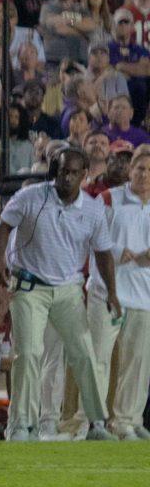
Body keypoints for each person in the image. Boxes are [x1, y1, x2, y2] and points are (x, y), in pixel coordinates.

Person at [0, 146, 120, 441]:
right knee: (29, 354)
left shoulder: (93, 208)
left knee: (84, 354)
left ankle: (96, 425)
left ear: (85, 174)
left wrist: (112, 292)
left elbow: (103, 253)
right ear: (54, 171)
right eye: (63, 171)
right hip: (29, 287)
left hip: (68, 290)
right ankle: (21, 425)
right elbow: (2, 228)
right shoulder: (30, 197)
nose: (68, 177)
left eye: (75, 172)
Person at [102, 151, 150, 440]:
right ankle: (93, 421)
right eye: (140, 168)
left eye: (149, 170)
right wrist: (119, 253)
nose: (144, 175)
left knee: (138, 361)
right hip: (109, 292)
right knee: (98, 360)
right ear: (130, 169)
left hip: (144, 294)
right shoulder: (109, 199)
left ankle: (128, 420)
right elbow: (92, 238)